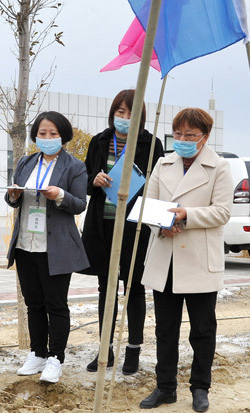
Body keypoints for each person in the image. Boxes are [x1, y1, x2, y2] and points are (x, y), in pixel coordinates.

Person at [139, 108, 232, 412]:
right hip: (166, 256)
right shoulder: (163, 163)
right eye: (178, 134)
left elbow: (222, 212)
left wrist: (186, 216)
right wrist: (162, 222)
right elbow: (147, 206)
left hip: (198, 260)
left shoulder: (218, 167)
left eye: (190, 135)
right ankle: (165, 387)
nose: (182, 140)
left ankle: (200, 387)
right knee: (165, 329)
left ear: (204, 137)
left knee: (202, 330)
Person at [81, 89, 164, 375]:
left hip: (135, 227)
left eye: (131, 114)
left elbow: (158, 186)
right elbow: (86, 180)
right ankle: (106, 349)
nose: (125, 118)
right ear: (113, 114)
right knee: (106, 289)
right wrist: (95, 179)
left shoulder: (151, 144)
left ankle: (133, 350)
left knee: (134, 288)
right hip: (103, 225)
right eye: (120, 112)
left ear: (140, 117)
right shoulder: (99, 141)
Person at [6, 111, 89, 384]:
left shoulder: (74, 166)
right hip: (26, 243)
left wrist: (60, 195)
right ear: (35, 136)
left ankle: (56, 358)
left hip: (56, 245)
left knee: (56, 304)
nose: (47, 138)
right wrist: (13, 195)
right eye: (42, 133)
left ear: (63, 135)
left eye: (53, 133)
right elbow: (14, 200)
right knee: (33, 303)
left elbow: (79, 203)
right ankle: (37, 352)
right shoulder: (26, 162)